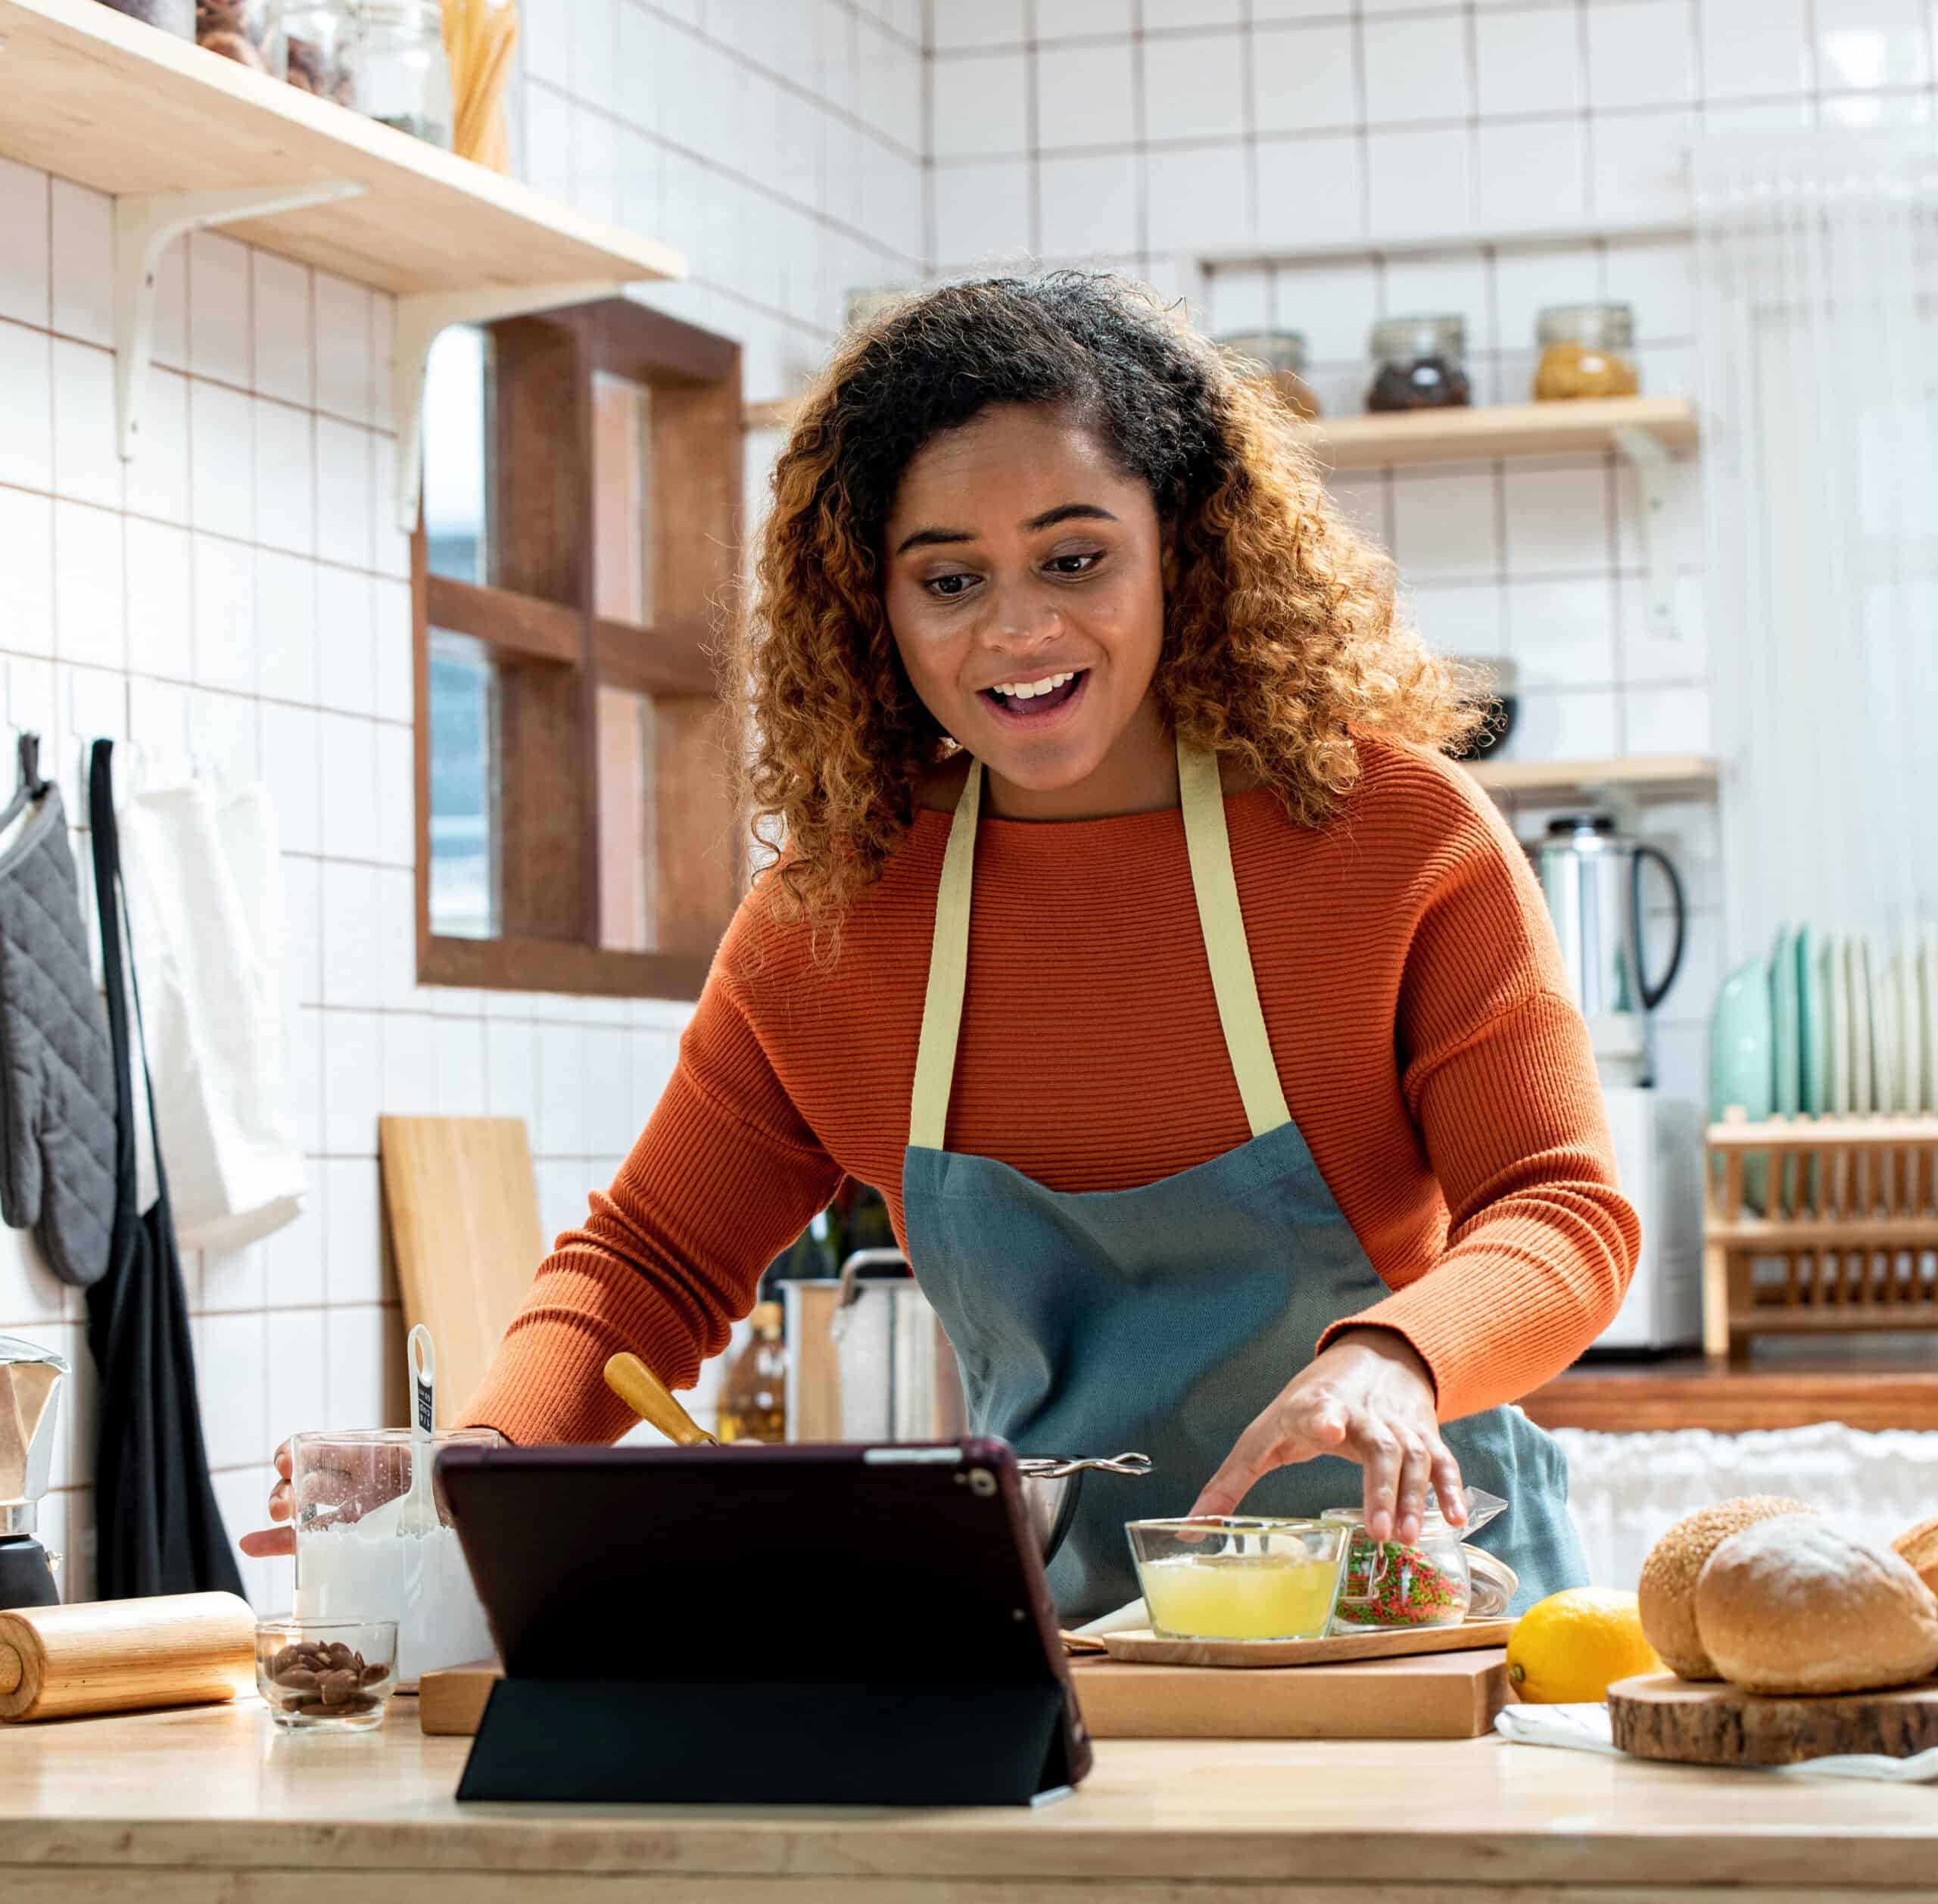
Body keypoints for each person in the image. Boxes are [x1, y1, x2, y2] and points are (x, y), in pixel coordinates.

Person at [248, 275, 1637, 1620]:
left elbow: (1558, 1209)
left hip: (1423, 1612)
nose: (1019, 628)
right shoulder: (840, 914)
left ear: (1185, 548)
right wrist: (476, 1464)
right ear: (877, 606)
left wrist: (1398, 1355)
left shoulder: (1388, 836)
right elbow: (647, 1263)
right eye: (950, 578)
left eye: (1075, 557)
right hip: (1077, 1646)